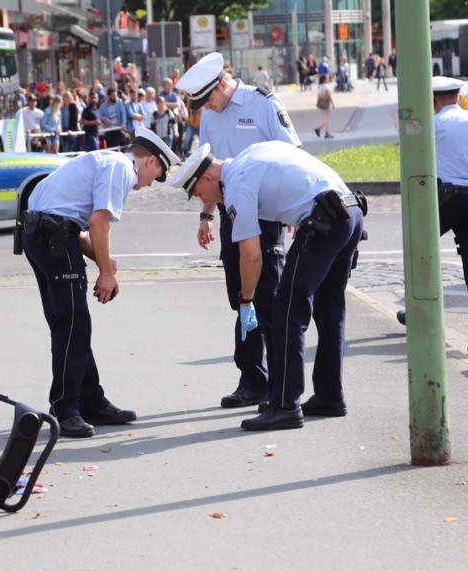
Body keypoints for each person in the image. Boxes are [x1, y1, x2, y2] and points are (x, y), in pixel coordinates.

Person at [170, 141, 366, 430]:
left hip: (324, 222)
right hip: (350, 212)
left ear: (209, 178)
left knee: (286, 311)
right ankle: (329, 395)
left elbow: (251, 255)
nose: (207, 201)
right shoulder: (250, 154)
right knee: (329, 309)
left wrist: (246, 300)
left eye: (200, 193)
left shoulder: (237, 183)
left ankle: (285, 405)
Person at [22, 128, 180, 437]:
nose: (149, 185)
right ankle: (65, 408)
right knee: (72, 324)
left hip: (43, 236)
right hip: (55, 240)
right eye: (157, 174)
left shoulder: (106, 160)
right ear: (149, 161)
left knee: (71, 323)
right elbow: (98, 222)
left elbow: (76, 223)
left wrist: (103, 262)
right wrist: (106, 272)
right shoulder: (122, 168)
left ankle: (91, 400)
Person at [174, 51, 301, 410]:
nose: (207, 110)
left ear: (224, 85)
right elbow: (207, 171)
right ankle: (252, 380)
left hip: (268, 212)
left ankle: (280, 384)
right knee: (242, 299)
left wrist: (295, 208)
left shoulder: (263, 104)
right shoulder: (211, 115)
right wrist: (206, 214)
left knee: (268, 300)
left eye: (208, 100)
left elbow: (293, 154)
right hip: (232, 212)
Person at [397, 77, 468, 326]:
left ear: (434, 101)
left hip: (445, 201)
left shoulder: (431, 124)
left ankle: (416, 307)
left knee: (417, 249)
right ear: (459, 98)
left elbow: (412, 160)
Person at [315, 74, 335, 139]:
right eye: (327, 78)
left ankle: (319, 129)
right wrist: (332, 103)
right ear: (324, 80)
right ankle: (326, 133)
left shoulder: (320, 86)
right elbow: (328, 95)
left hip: (321, 104)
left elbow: (318, 95)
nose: (328, 79)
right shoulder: (326, 86)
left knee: (326, 118)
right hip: (326, 104)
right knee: (327, 119)